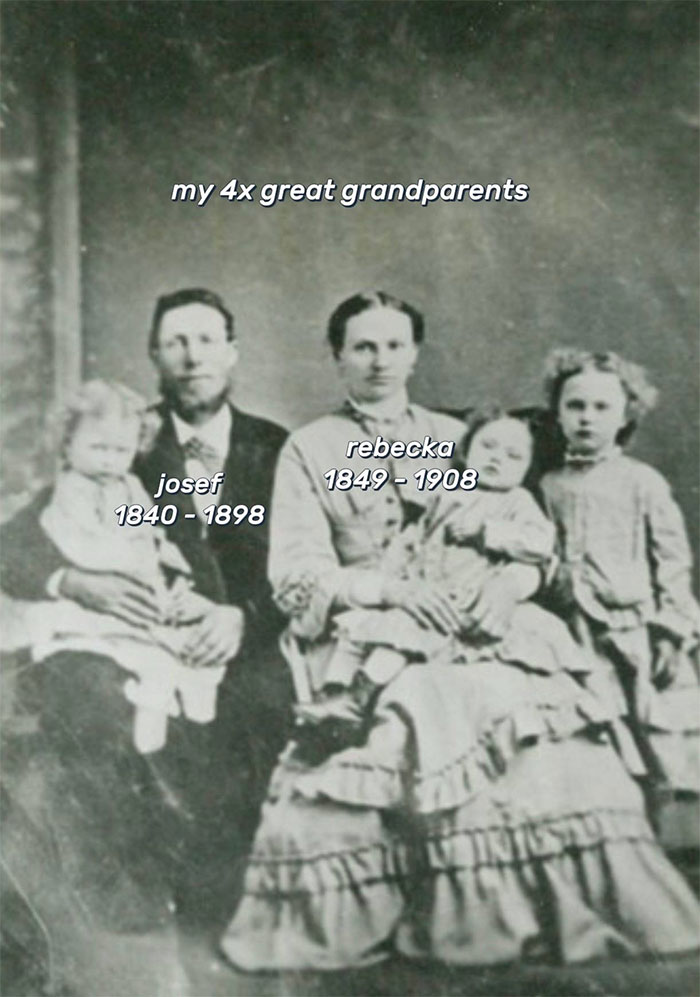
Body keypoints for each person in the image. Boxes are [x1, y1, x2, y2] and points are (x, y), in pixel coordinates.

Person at [221, 294, 699, 971]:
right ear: (337, 357)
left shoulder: (459, 437)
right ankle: (458, 921)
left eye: (393, 345)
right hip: (372, 624)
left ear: (415, 352)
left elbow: (535, 545)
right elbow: (296, 575)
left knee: (532, 717)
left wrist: (507, 590)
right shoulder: (310, 448)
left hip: (487, 617)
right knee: (426, 700)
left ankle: (548, 911)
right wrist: (395, 590)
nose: (379, 360)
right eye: (362, 346)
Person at [1, 288, 291, 990]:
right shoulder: (123, 435)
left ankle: (226, 927)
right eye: (175, 341)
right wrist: (74, 582)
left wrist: (240, 618)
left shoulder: (275, 447)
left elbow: (295, 561)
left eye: (206, 339)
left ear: (232, 351)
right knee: (99, 704)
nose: (192, 356)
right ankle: (127, 918)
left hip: (235, 631)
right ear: (155, 354)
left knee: (253, 713)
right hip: (126, 624)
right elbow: (15, 541)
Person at [293, 408, 607, 759]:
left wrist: (487, 533)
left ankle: (358, 698)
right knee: (360, 630)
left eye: (513, 455)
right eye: (487, 446)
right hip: (423, 588)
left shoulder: (517, 502)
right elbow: (417, 536)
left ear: (528, 468)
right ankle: (333, 692)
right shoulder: (448, 492)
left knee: (397, 642)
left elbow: (540, 544)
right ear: (466, 451)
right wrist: (393, 573)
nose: (496, 459)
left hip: (465, 599)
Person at [27, 378, 228, 755]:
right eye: (97, 447)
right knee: (139, 659)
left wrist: (175, 574)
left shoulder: (132, 486)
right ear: (68, 445)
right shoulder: (68, 491)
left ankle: (192, 702)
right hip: (100, 598)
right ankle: (152, 706)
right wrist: (125, 569)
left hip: (144, 586)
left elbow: (154, 535)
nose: (108, 460)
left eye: (121, 450)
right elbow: (78, 542)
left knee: (189, 650)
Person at [540, 348, 700, 794]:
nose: (586, 418)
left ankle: (674, 828)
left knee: (655, 726)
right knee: (602, 728)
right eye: (575, 406)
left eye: (600, 407)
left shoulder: (640, 480)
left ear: (626, 415)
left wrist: (671, 629)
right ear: (557, 413)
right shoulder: (551, 485)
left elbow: (672, 558)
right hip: (576, 628)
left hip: (636, 626)